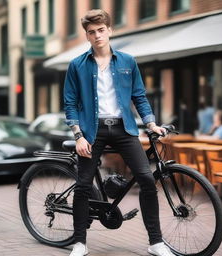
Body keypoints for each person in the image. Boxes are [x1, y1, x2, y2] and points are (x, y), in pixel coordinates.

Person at [64, 9, 174, 256]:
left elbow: (139, 96)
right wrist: (78, 136)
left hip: (124, 128)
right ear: (87, 36)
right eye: (91, 32)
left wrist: (151, 123)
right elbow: (70, 103)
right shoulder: (77, 65)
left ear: (110, 30)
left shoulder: (127, 61)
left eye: (101, 30)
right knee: (82, 186)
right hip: (92, 131)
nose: (97, 35)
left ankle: (156, 242)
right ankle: (79, 243)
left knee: (146, 179)